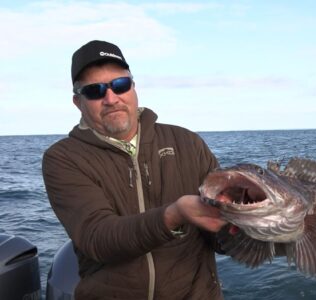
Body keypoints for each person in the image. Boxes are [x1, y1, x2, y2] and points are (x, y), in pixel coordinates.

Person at [42, 40, 227, 300]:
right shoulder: (63, 159)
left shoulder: (187, 142)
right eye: (95, 91)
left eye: (120, 85)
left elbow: (222, 238)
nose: (111, 98)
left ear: (133, 87)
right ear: (77, 102)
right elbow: (98, 238)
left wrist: (257, 226)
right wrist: (173, 215)